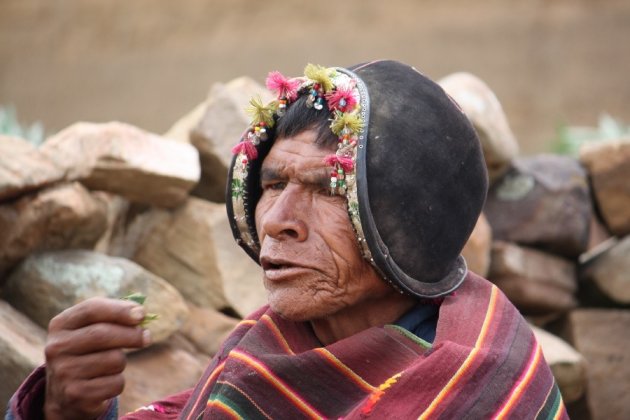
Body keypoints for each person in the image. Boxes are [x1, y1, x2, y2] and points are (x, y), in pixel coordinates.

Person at [8, 60, 567, 419]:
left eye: (327, 190)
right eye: (272, 182)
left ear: (411, 219)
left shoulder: (487, 384)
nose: (277, 219)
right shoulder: (262, 359)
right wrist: (63, 412)